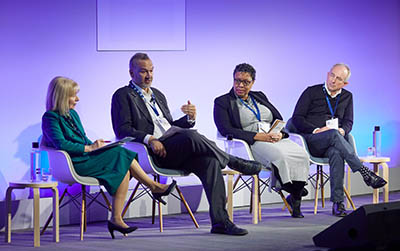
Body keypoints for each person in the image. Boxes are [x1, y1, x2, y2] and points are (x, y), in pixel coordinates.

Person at [111, 53, 263, 235]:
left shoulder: (158, 95)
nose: (149, 75)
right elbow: (122, 130)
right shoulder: (122, 95)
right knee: (191, 136)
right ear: (131, 72)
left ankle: (220, 223)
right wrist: (149, 139)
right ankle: (233, 161)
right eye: (143, 71)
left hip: (173, 147)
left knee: (210, 162)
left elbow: (169, 126)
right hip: (152, 152)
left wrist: (189, 119)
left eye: (151, 71)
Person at [41, 76, 177, 239]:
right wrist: (89, 148)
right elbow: (61, 144)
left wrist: (96, 144)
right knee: (122, 155)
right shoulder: (50, 118)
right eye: (73, 95)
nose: (77, 99)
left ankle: (116, 219)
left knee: (123, 164)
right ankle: (153, 186)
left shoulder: (73, 115)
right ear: (61, 97)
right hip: (74, 163)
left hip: (87, 158)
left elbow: (83, 139)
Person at [214, 63, 309, 218]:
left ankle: (294, 190)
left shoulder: (259, 96)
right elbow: (226, 129)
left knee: (302, 155)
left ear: (253, 82)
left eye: (245, 82)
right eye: (237, 80)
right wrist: (259, 137)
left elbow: (277, 118)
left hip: (272, 137)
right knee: (281, 156)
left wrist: (279, 133)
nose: (240, 85)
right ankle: (292, 188)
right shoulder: (223, 101)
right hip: (251, 142)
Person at [291, 63, 387, 217]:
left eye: (338, 78)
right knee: (333, 134)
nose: (333, 80)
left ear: (345, 83)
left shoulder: (347, 96)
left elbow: (348, 122)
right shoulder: (311, 92)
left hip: (333, 142)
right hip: (311, 141)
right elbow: (296, 119)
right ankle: (364, 172)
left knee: (336, 151)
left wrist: (342, 130)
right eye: (331, 75)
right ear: (328, 74)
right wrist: (317, 130)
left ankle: (338, 204)